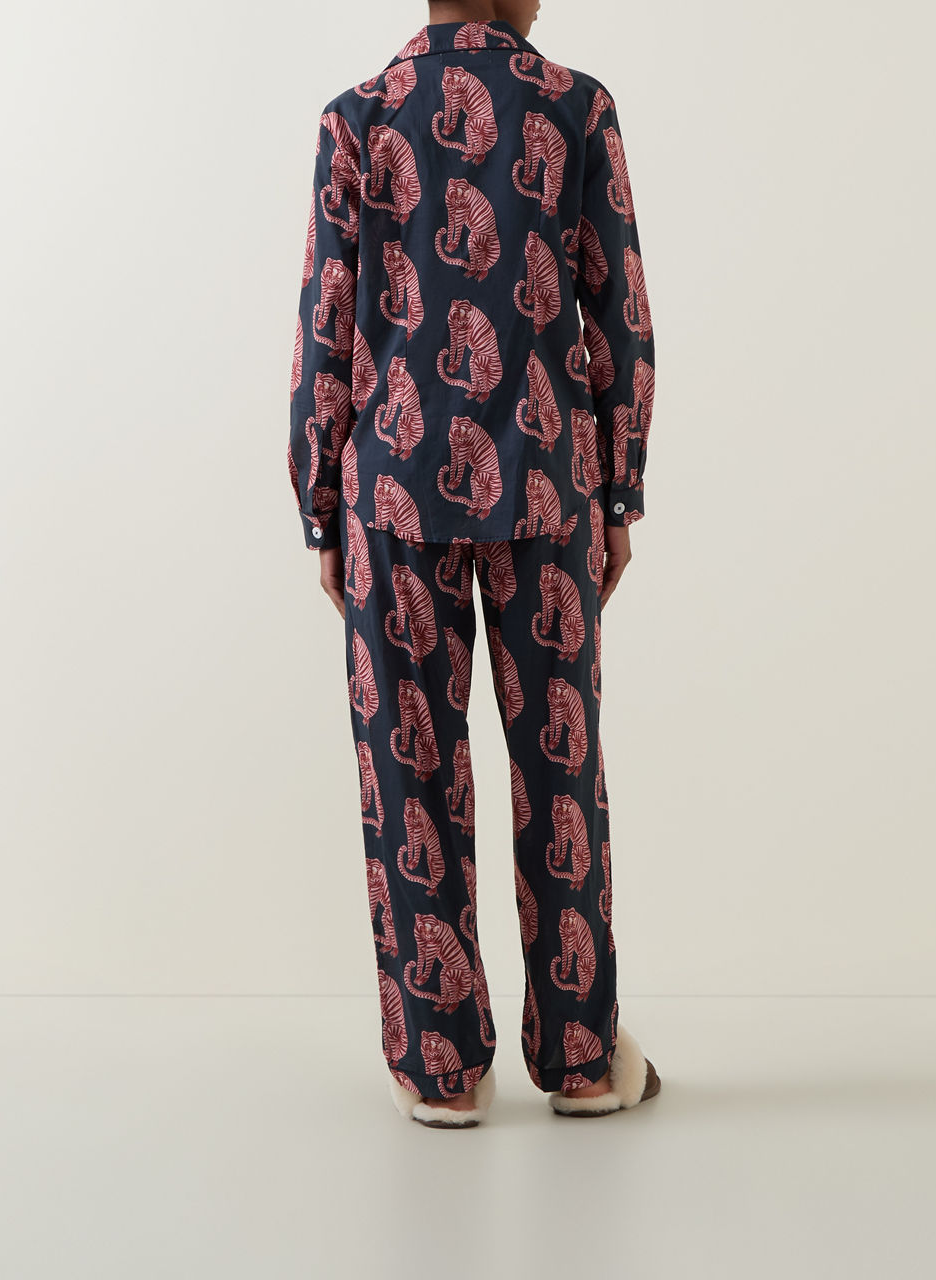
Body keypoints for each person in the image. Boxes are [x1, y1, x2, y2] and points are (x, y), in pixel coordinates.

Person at [286, 0, 660, 1126]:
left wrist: (319, 503)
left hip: (392, 491)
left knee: (409, 767)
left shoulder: (357, 120)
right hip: (546, 485)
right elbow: (619, 315)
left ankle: (441, 1065)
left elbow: (325, 325)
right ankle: (581, 1057)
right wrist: (619, 489)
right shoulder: (577, 109)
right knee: (559, 770)